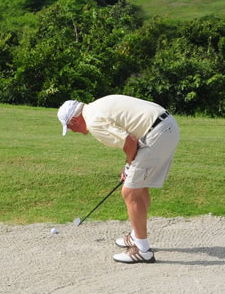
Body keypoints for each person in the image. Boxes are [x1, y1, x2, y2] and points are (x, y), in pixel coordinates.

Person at [58, 95, 180, 263]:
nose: (72, 131)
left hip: (157, 133)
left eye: (70, 127)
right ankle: (136, 235)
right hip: (166, 126)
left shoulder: (93, 122)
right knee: (138, 187)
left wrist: (129, 166)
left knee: (130, 192)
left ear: (73, 121)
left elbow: (130, 142)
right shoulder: (96, 106)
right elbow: (131, 140)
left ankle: (142, 249)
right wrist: (129, 166)